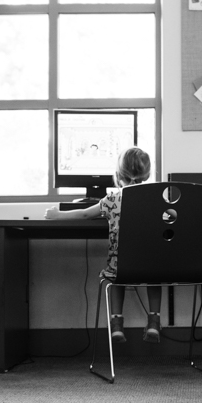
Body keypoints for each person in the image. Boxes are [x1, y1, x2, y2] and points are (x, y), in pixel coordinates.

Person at [44, 147, 161, 344]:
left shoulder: (113, 199)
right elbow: (172, 217)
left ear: (118, 174)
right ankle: (154, 321)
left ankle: (116, 325)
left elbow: (84, 214)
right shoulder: (157, 199)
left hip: (121, 266)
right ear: (147, 174)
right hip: (151, 264)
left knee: (116, 275)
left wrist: (57, 215)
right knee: (155, 275)